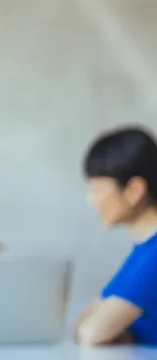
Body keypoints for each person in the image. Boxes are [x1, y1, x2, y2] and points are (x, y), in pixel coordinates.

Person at [74, 125, 157, 347]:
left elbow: (92, 333)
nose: (91, 201)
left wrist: (121, 333)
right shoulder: (143, 250)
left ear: (134, 190)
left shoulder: (153, 255)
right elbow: (83, 322)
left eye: (98, 190)